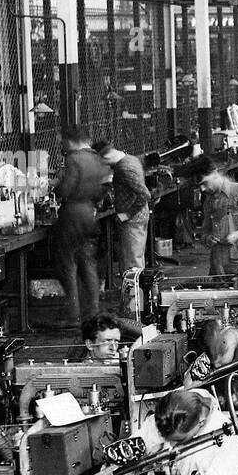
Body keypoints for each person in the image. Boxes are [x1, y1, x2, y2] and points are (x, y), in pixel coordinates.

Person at [54, 124, 109, 327]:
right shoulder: (98, 158)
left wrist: (55, 189)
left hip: (73, 214)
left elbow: (67, 188)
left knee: (67, 263)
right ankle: (93, 310)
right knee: (88, 262)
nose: (62, 145)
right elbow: (103, 188)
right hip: (91, 214)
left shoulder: (73, 159)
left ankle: (73, 314)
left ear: (70, 140)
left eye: (63, 141)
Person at [95, 140, 151, 281]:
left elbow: (145, 194)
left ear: (105, 157)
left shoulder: (123, 168)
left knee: (131, 265)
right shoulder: (131, 158)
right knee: (137, 260)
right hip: (140, 216)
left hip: (132, 220)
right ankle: (137, 298)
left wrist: (126, 214)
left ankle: (134, 301)